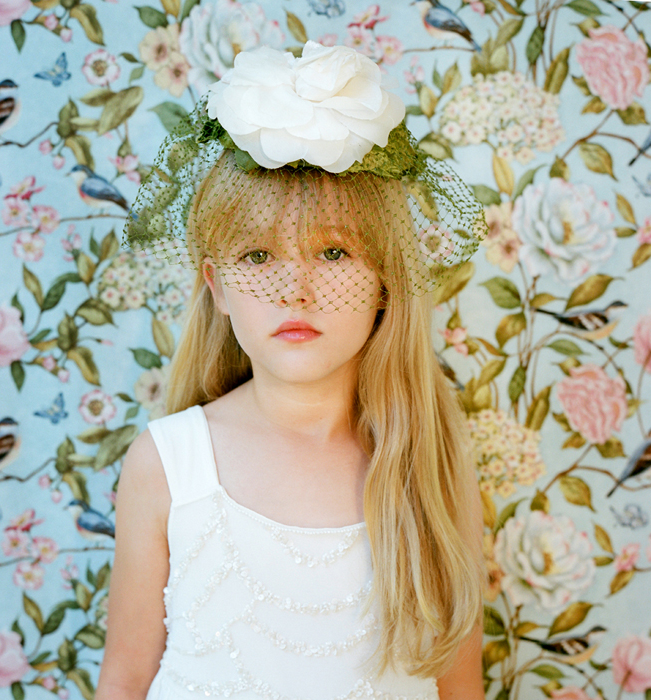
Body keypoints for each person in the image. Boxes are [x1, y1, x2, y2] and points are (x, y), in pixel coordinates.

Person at [95, 41, 487, 700]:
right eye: (257, 256)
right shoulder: (167, 463)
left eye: (333, 252)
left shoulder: (431, 463)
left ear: (385, 280)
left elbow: (460, 688)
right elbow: (124, 681)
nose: (295, 289)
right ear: (216, 286)